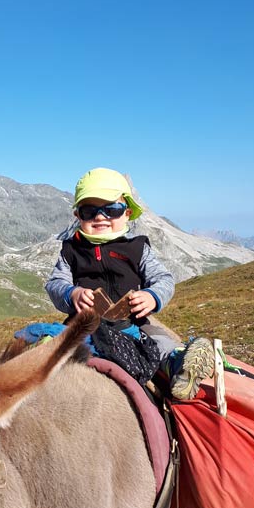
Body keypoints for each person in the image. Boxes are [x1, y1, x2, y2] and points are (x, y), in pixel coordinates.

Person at [45, 167, 213, 400]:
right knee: (49, 344)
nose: (100, 217)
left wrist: (152, 297)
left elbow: (163, 279)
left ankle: (180, 368)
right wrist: (72, 294)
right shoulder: (71, 251)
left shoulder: (137, 249)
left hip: (133, 321)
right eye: (89, 210)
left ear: (127, 213)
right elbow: (55, 283)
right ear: (78, 216)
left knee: (160, 342)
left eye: (112, 210)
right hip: (84, 323)